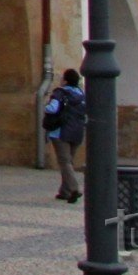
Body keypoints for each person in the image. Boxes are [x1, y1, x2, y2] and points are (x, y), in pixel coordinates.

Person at [44, 66, 86, 203]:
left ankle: (74, 189)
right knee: (69, 161)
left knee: (64, 162)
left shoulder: (60, 93)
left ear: (66, 81)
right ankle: (65, 191)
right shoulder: (81, 94)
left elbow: (52, 109)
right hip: (77, 132)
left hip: (61, 132)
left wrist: (45, 106)